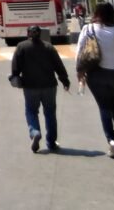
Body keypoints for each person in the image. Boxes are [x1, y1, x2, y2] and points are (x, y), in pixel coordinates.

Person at [75, 2, 114, 158]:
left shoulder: (88, 29)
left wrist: (79, 71)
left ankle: (111, 141)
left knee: (104, 107)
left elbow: (80, 51)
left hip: (96, 74)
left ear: (96, 13)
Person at [11, 25, 70, 153]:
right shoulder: (49, 47)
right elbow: (58, 65)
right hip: (49, 86)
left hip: (30, 86)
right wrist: (65, 80)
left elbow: (16, 67)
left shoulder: (21, 47)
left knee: (31, 111)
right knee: (50, 113)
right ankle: (51, 142)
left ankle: (35, 132)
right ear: (40, 34)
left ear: (28, 34)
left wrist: (15, 77)